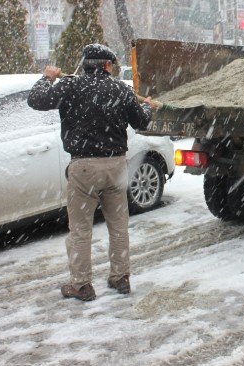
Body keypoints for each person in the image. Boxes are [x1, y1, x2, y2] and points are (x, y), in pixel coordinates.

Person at [28, 43, 155, 301]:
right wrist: (149, 107)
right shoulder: (121, 89)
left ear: (85, 64)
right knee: (118, 226)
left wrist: (47, 78)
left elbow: (36, 100)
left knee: (81, 229)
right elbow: (140, 122)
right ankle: (120, 277)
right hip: (116, 165)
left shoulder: (70, 86)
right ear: (107, 66)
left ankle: (81, 284)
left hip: (83, 166)